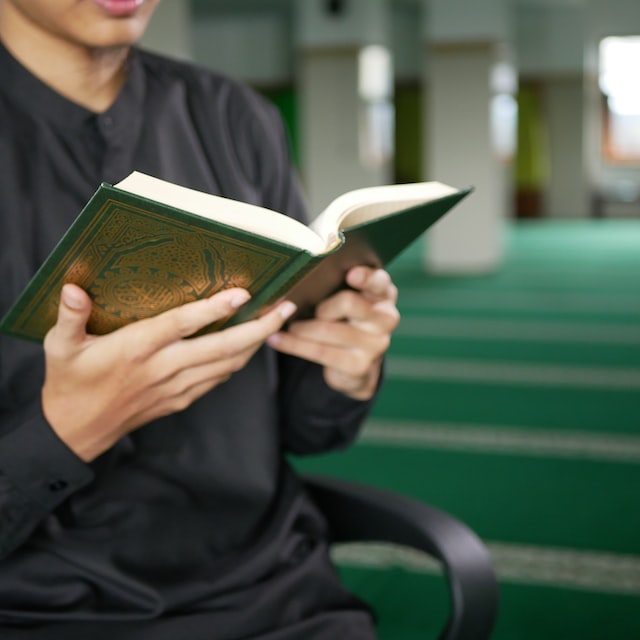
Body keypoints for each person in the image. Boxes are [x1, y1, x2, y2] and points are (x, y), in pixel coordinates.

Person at [0, 1, 401, 638]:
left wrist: (345, 370)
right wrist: (66, 431)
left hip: (273, 591)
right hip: (45, 612)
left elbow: (302, 429)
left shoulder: (233, 116)